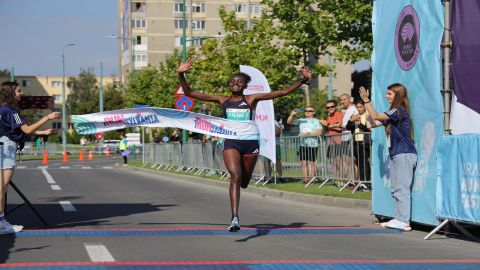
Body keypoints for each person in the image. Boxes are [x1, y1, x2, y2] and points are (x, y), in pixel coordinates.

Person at [178, 58, 311, 231]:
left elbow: (282, 92)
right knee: (235, 176)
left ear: (244, 85)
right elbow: (189, 93)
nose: (235, 84)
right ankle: (234, 218)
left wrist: (302, 80)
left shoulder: (251, 99)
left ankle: (242, 184)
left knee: (244, 181)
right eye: (232, 82)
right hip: (231, 142)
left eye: (239, 82)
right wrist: (181, 73)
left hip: (250, 143)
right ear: (229, 84)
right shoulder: (222, 100)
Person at [0, 81, 60, 234]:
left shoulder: (3, 110)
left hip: (3, 144)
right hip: (6, 147)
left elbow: (14, 130)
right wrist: (48, 117)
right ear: (11, 93)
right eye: (19, 91)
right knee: (2, 188)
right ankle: (1, 223)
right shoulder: (11, 111)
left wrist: (43, 133)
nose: (22, 93)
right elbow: (26, 130)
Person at [359, 83, 417, 231]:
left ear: (398, 95)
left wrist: (366, 101)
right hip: (395, 154)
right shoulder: (392, 113)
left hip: (404, 154)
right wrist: (364, 113)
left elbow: (377, 116)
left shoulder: (399, 110)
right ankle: (399, 218)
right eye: (386, 93)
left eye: (389, 94)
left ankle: (403, 220)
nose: (386, 96)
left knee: (401, 189)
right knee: (395, 189)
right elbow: (372, 123)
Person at [287, 106, 323, 184]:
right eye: (306, 111)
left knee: (312, 162)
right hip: (303, 144)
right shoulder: (301, 120)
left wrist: (307, 134)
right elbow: (289, 122)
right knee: (303, 162)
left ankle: (312, 178)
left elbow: (319, 132)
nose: (307, 112)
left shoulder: (316, 121)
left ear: (313, 112)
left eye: (309, 111)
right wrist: (292, 115)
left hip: (313, 144)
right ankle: (305, 179)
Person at [346, 100, 372, 182]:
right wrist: (351, 120)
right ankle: (361, 181)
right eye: (357, 107)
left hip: (365, 141)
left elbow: (369, 129)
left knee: (364, 162)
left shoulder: (368, 116)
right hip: (355, 141)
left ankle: (366, 181)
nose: (359, 109)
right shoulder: (355, 115)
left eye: (361, 107)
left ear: (364, 107)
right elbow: (348, 127)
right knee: (358, 162)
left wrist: (360, 123)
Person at [319, 100, 343, 180]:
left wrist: (328, 125)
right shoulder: (329, 116)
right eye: (328, 107)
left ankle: (342, 179)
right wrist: (323, 125)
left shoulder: (339, 114)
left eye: (332, 106)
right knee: (332, 162)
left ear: (335, 106)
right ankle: (337, 179)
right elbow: (327, 129)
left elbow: (340, 128)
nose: (330, 108)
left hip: (339, 141)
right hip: (330, 142)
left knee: (339, 161)